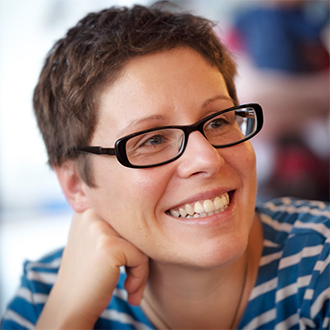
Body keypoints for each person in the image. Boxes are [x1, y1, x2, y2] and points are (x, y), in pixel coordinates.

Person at [1, 2, 329, 329]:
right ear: (75, 184)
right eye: (153, 140)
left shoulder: (321, 259)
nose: (207, 159)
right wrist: (66, 318)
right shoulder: (46, 299)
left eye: (217, 122)